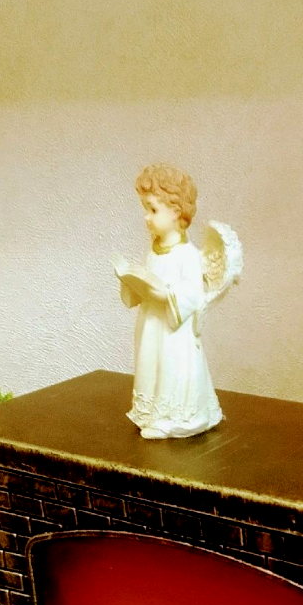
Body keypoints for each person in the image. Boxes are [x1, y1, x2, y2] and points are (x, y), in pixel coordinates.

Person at [117, 164, 223, 439]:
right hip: (151, 325)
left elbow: (193, 295)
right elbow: (147, 280)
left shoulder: (187, 255)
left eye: (152, 209)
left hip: (173, 332)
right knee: (151, 366)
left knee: (171, 369)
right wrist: (132, 282)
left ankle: (175, 418)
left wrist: (167, 295)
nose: (146, 217)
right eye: (146, 209)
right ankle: (152, 413)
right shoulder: (153, 250)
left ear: (175, 211)